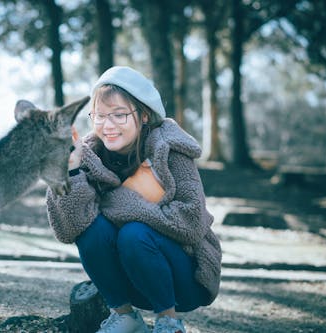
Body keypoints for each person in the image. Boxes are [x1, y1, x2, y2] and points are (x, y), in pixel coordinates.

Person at [46, 66, 221, 333]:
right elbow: (68, 228)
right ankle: (126, 317)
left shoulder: (171, 150)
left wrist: (120, 205)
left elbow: (192, 219)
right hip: (129, 281)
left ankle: (169, 323)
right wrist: (70, 169)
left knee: (133, 233)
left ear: (144, 115)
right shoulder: (89, 155)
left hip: (185, 278)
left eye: (119, 115)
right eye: (100, 116)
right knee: (91, 232)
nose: (108, 125)